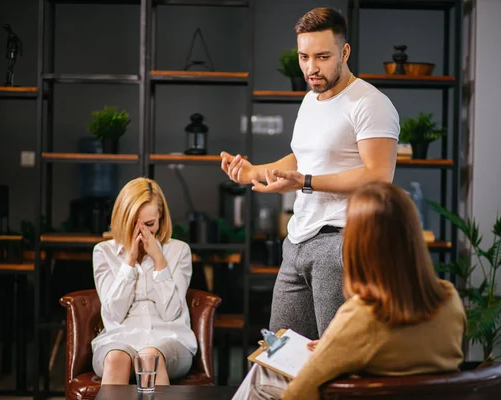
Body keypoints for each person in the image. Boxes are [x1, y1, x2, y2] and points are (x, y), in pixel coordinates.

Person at [220, 7, 400, 340]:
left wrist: (305, 183)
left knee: (335, 356)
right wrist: (253, 172)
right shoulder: (310, 100)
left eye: (321, 56)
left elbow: (378, 176)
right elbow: (304, 159)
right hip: (298, 241)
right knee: (280, 353)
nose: (311, 68)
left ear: (344, 52)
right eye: (304, 57)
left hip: (342, 243)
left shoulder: (369, 103)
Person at [232, 181, 467, 400]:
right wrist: (335, 346)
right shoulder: (449, 299)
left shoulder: (362, 314)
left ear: (357, 245)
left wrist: (336, 345)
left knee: (262, 374)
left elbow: (299, 394)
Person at [91, 177, 196, 385]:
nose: (142, 232)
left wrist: (159, 260)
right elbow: (114, 314)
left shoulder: (179, 251)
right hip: (118, 340)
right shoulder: (104, 252)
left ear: (161, 219)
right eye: (134, 225)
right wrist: (129, 261)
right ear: (122, 219)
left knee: (150, 358)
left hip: (170, 339)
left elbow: (170, 312)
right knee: (116, 359)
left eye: (149, 224)